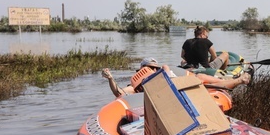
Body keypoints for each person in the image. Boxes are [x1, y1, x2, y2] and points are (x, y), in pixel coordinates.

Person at [102, 57, 250, 98]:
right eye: (151, 67)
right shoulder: (136, 84)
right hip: (185, 86)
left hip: (192, 77)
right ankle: (239, 80)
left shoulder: (164, 68)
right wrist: (110, 78)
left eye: (154, 67)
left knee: (207, 79)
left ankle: (234, 81)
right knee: (205, 83)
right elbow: (119, 93)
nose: (153, 69)